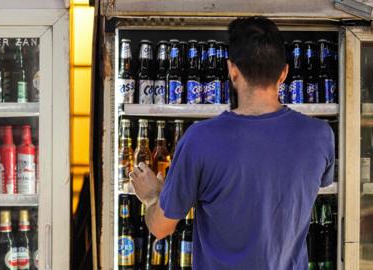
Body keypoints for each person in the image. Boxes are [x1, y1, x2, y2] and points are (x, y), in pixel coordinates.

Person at [129, 17, 335, 270]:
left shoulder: (199, 139)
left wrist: (151, 196)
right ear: (284, 73)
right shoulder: (320, 135)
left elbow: (161, 228)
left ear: (232, 69)